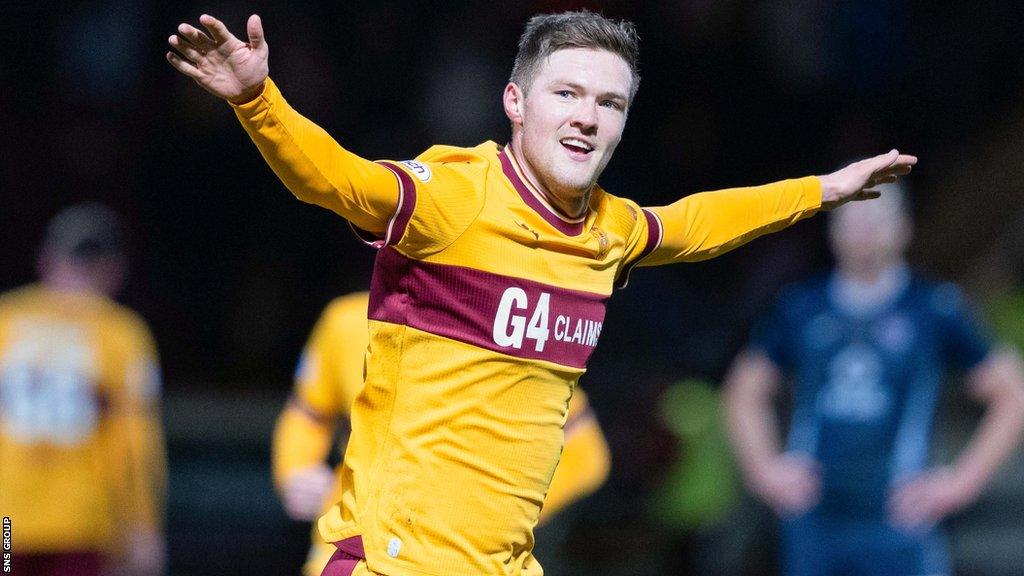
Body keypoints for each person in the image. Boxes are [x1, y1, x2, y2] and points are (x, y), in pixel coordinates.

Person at [166, 10, 916, 576]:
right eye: (567, 93)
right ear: (517, 103)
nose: (587, 117)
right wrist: (258, 101)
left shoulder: (610, 231)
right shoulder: (452, 196)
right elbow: (334, 179)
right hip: (389, 563)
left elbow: (697, 222)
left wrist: (823, 191)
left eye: (610, 103)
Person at [724, 185, 1024, 576]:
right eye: (853, 219)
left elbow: (1011, 395)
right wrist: (765, 472)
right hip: (814, 520)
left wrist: (960, 484)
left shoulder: (933, 307)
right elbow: (743, 391)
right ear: (833, 228)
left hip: (900, 520)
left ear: (903, 228)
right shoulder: (802, 306)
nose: (864, 231)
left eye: (877, 219)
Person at [272, 291, 611, 576]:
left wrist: (501, 519)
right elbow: (309, 413)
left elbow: (586, 454)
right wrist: (295, 470)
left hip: (464, 558)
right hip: (354, 543)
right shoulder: (348, 320)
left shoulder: (503, 327)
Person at [0, 203, 167, 576]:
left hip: (7, 524)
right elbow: (134, 441)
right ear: (113, 268)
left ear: (46, 258)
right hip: (81, 522)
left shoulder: (6, 320)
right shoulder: (119, 331)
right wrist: (143, 524)